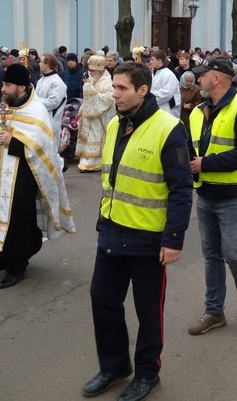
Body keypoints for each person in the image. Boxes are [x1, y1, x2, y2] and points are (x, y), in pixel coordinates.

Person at [83, 62, 193, 401]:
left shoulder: (169, 128)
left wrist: (173, 239)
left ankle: (148, 374)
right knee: (103, 301)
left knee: (148, 312)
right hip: (113, 233)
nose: (114, 94)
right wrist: (104, 223)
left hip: (148, 240)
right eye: (113, 87)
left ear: (142, 90)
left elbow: (181, 188)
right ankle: (115, 366)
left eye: (121, 88)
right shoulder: (116, 123)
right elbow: (112, 179)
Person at [0, 64, 75, 288]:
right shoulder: (3, 108)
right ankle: (2, 260)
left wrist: (14, 142)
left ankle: (17, 267)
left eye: (7, 85)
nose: (3, 89)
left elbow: (43, 149)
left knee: (17, 221)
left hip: (22, 177)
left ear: (22, 87)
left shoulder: (36, 111)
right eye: (3, 84)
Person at [187, 56, 237, 336]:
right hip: (205, 193)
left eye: (202, 74)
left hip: (234, 195)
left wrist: (205, 164)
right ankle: (214, 311)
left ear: (216, 77)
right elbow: (189, 145)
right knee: (212, 256)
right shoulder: (197, 111)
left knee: (233, 253)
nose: (198, 79)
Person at [76, 55, 115, 172]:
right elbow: (87, 98)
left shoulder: (108, 82)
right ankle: (86, 160)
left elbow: (109, 99)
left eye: (92, 71)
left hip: (100, 117)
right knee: (88, 137)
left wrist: (91, 92)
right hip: (89, 116)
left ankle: (94, 163)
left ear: (100, 70)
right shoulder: (92, 79)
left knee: (96, 137)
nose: (90, 73)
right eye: (90, 70)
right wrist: (81, 110)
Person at [35, 53, 68, 152]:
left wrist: (34, 102)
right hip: (39, 119)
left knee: (50, 151)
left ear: (47, 64)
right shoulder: (40, 81)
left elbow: (53, 102)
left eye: (41, 62)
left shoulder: (57, 82)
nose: (39, 64)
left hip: (50, 121)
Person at [148, 50, 181, 117]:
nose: (150, 62)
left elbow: (166, 93)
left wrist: (149, 98)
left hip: (166, 109)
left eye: (152, 60)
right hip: (155, 108)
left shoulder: (168, 75)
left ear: (159, 61)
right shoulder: (153, 74)